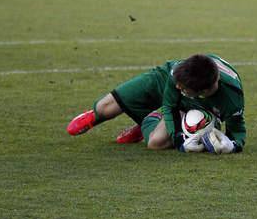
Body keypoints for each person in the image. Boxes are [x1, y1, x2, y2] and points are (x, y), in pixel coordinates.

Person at [66, 53, 245, 153]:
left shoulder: (231, 98)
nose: (178, 87)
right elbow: (170, 104)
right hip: (163, 78)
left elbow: (237, 132)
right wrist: (179, 140)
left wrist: (232, 146)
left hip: (196, 106)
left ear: (203, 92)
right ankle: (94, 116)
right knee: (104, 108)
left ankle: (149, 121)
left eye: (182, 89)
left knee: (155, 143)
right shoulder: (177, 75)